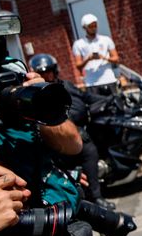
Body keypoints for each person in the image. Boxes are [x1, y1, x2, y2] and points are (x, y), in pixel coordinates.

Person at [29, 53, 115, 210]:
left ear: (55, 71)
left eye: (48, 72)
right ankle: (96, 197)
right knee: (89, 150)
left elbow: (85, 97)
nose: (46, 76)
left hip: (83, 126)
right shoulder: (37, 94)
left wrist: (109, 99)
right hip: (62, 134)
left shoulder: (66, 86)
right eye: (42, 74)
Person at [72, 14, 119, 96]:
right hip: (92, 82)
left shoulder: (106, 39)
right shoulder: (78, 44)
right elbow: (78, 65)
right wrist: (88, 59)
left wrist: (103, 57)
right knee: (97, 107)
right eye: (91, 26)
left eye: (95, 25)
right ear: (85, 27)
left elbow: (116, 58)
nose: (94, 28)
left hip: (109, 79)